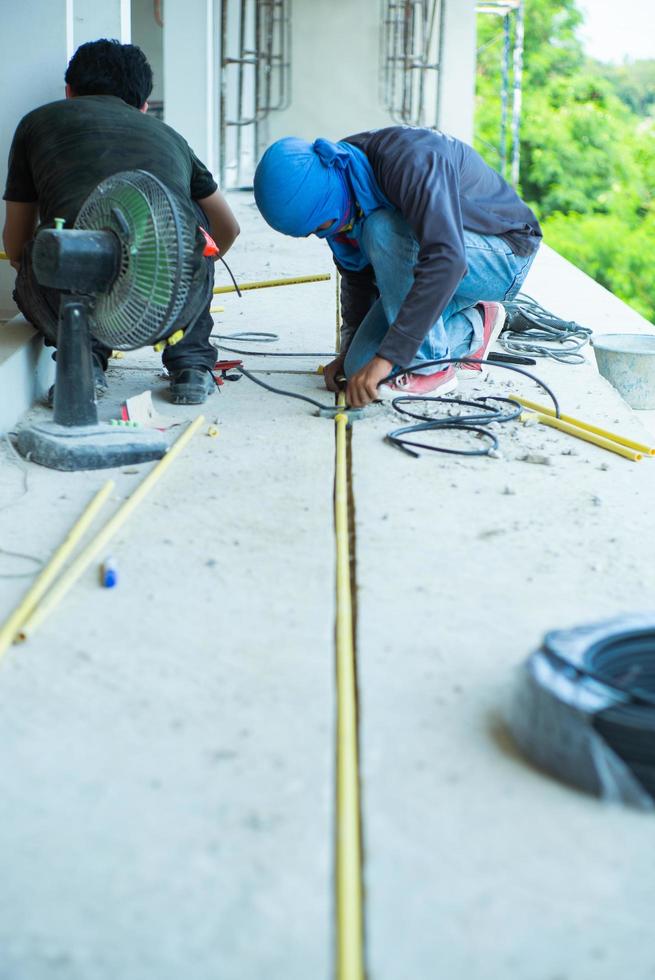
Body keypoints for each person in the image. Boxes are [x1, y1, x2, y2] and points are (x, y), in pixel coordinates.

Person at [2, 38, 240, 405]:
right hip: (167, 298)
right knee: (191, 230)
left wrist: (31, 265)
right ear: (143, 106)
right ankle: (190, 365)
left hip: (72, 287)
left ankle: (84, 361)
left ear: (69, 91)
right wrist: (191, 270)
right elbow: (228, 228)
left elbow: (15, 242)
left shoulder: (37, 122)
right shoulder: (170, 136)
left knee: (42, 249)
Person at [253, 126, 542, 407]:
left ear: (330, 191)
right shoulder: (342, 182)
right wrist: (348, 353)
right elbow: (357, 277)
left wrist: (389, 357)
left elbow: (447, 258)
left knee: (381, 228)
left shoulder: (410, 160)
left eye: (323, 223)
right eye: (314, 231)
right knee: (360, 371)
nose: (324, 233)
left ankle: (431, 368)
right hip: (435, 266)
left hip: (501, 256)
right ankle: (477, 323)